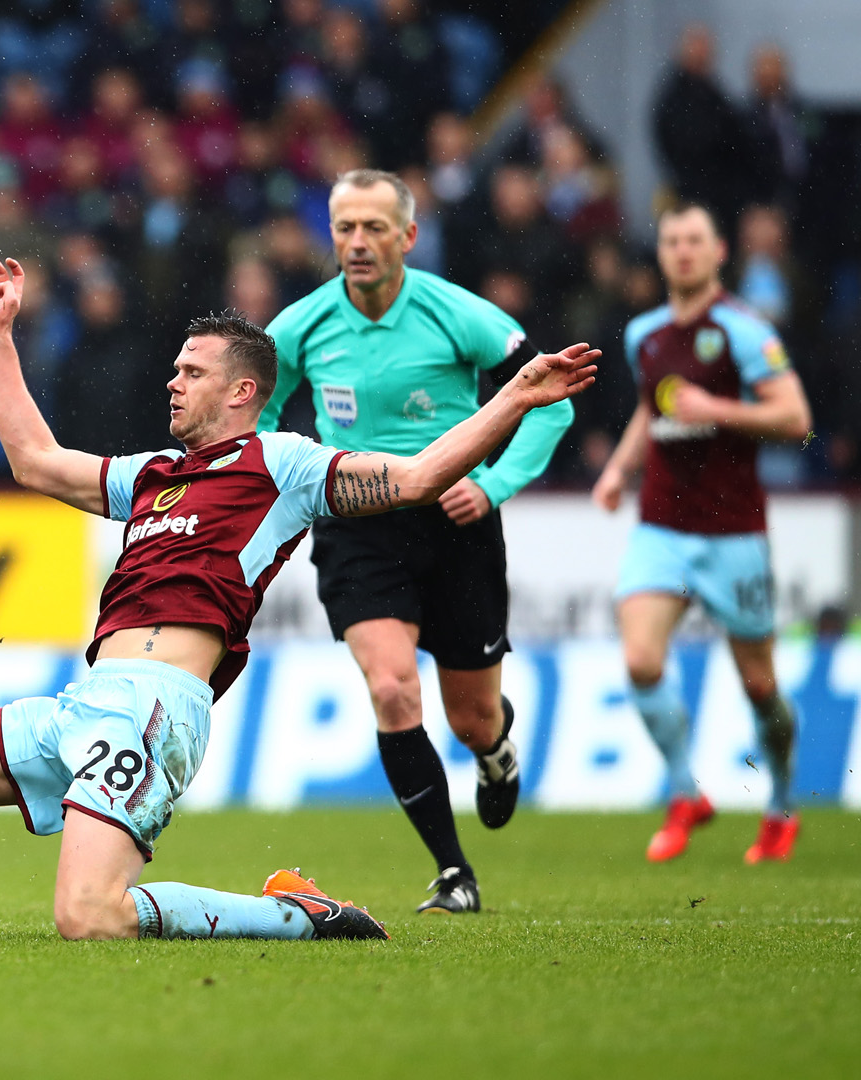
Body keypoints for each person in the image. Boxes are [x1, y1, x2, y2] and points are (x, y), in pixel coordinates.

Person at [0, 254, 600, 939]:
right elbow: (37, 462)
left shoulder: (286, 462)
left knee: (88, 918)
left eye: (191, 372)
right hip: (85, 702)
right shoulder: (156, 475)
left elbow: (420, 476)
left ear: (245, 392)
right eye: (174, 368)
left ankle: (289, 917)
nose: (172, 383)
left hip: (157, 709)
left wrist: (513, 399)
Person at [258, 169, 574, 914]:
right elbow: (260, 416)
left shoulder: (456, 313)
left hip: (456, 521)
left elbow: (549, 404)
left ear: (408, 236)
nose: (357, 242)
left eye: (373, 228)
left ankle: (496, 753)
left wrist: (491, 485)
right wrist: (292, 482)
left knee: (471, 718)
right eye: (344, 228)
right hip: (356, 521)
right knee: (393, 687)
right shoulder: (300, 325)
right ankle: (453, 873)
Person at [592, 203, 812, 864]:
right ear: (661, 255)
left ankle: (780, 803)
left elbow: (795, 416)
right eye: (672, 242)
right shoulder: (645, 334)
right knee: (640, 660)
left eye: (695, 241)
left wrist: (714, 407)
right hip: (662, 523)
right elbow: (647, 409)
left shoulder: (743, 331)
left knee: (759, 685)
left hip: (732, 531)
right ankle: (686, 792)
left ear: (719, 253)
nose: (682, 252)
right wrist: (617, 470)